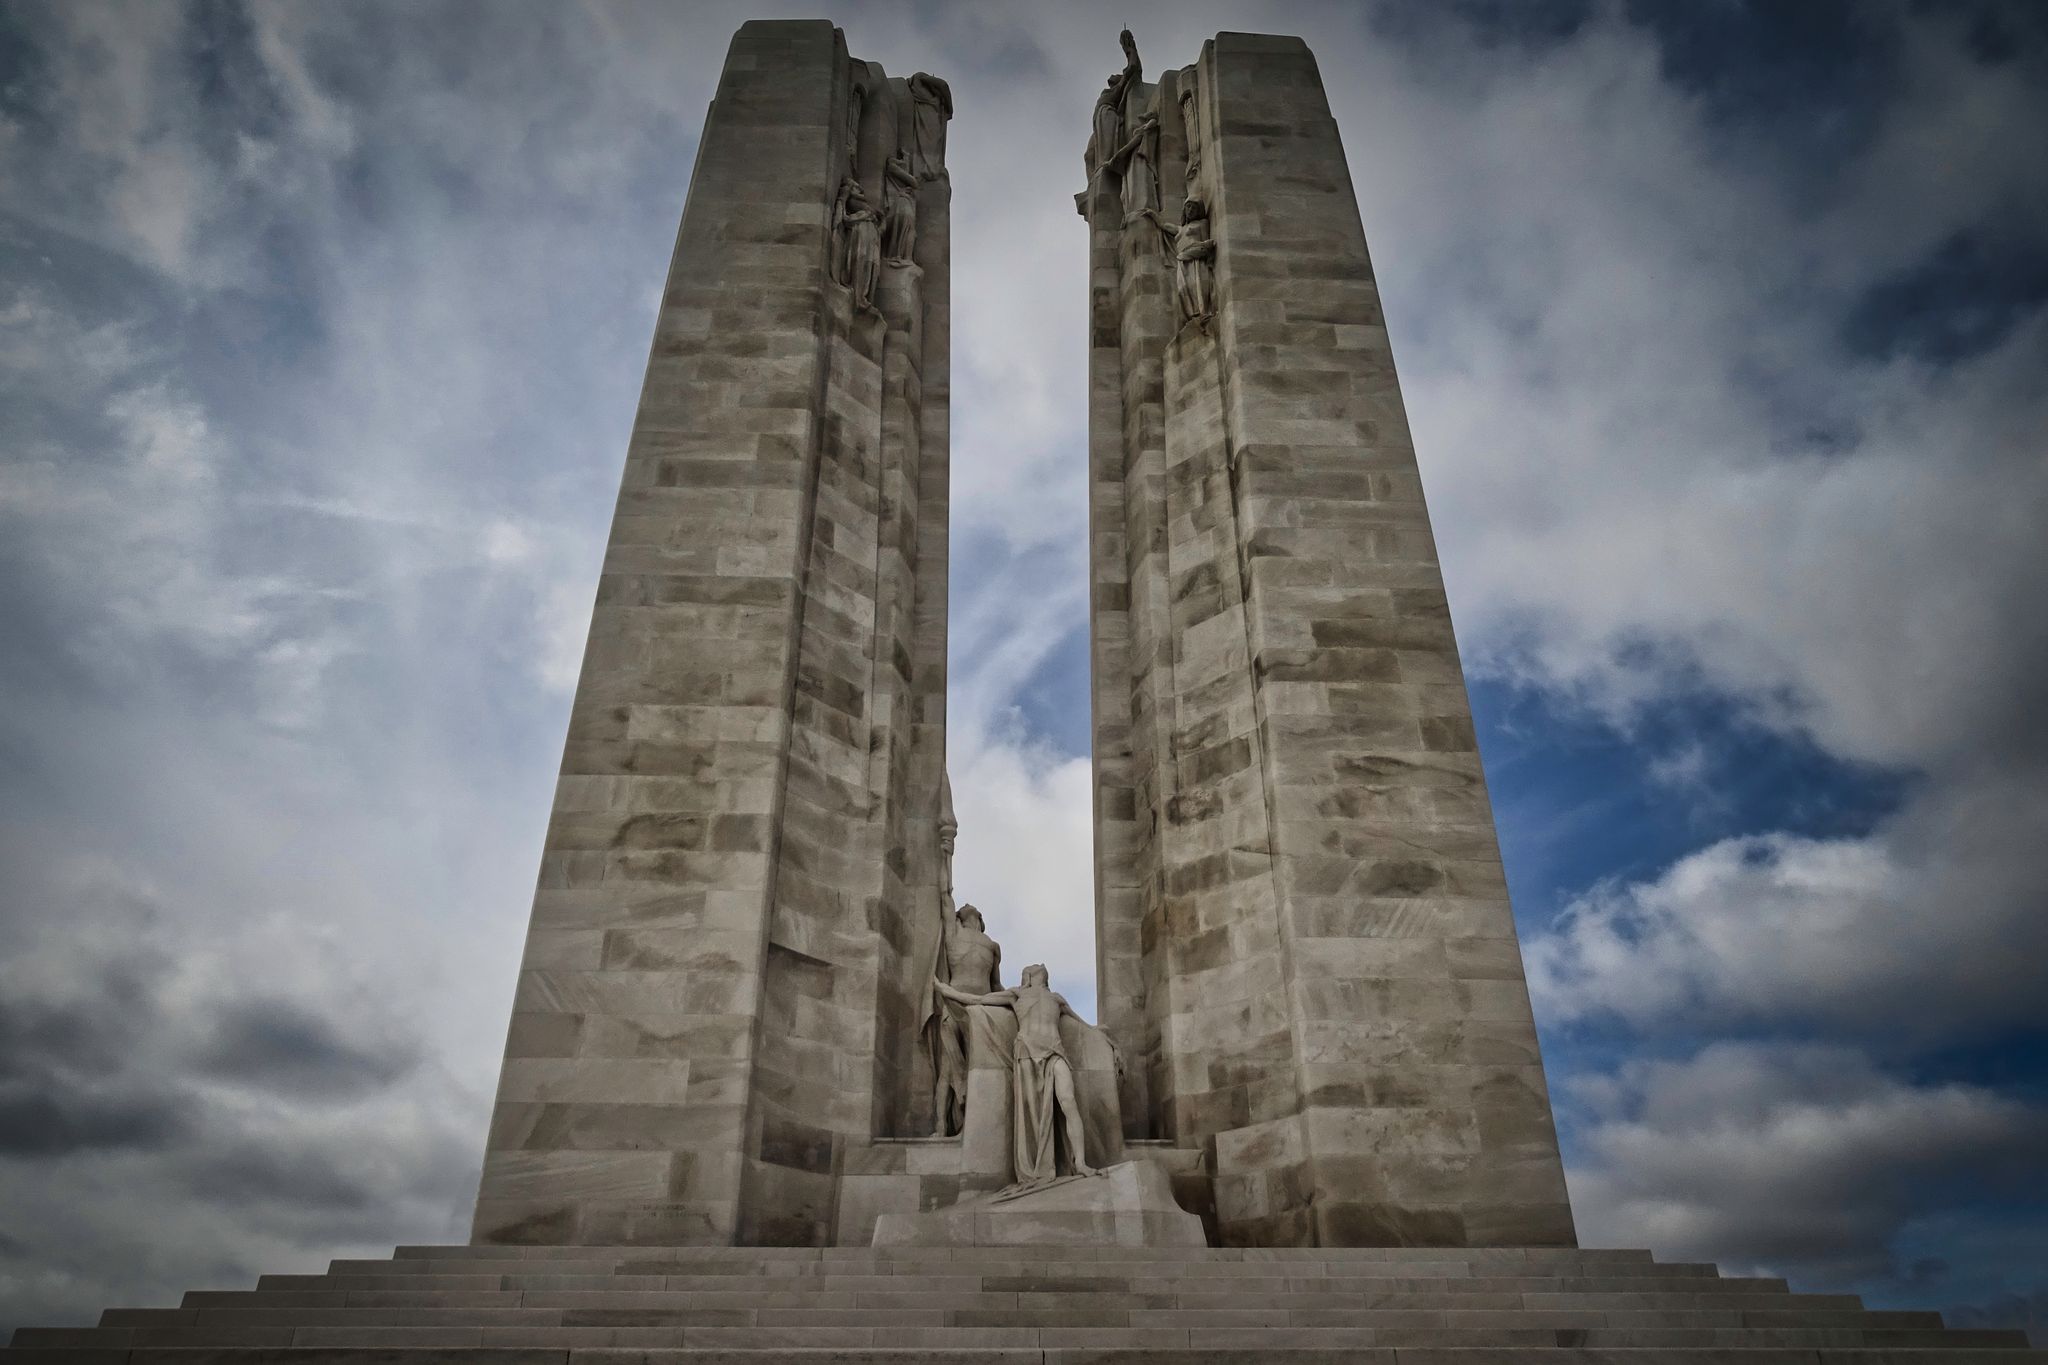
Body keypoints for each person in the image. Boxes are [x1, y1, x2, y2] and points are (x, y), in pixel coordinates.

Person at [938, 963, 1103, 1185]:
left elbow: (1085, 1026)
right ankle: (1038, 1165)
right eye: (1035, 968)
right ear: (1028, 977)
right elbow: (979, 1000)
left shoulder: (1057, 999)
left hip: (1054, 1051)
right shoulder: (1017, 994)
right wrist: (947, 991)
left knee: (1068, 1101)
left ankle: (1081, 1162)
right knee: (1032, 1111)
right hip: (1026, 1052)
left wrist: (1107, 1039)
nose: (1041, 967)